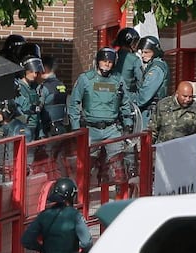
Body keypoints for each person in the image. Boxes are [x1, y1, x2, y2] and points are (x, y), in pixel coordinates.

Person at [68, 47, 133, 184]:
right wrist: (75, 128)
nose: (107, 64)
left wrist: (128, 124)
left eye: (110, 62)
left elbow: (125, 103)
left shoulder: (118, 80)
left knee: (119, 167)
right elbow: (73, 104)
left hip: (112, 129)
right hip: (91, 129)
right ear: (98, 61)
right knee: (85, 167)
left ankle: (121, 199)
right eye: (104, 61)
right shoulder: (85, 79)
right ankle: (79, 199)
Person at [21, 177, 93, 253]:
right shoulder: (75, 216)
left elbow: (26, 240)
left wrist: (43, 248)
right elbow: (87, 242)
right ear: (71, 196)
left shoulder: (44, 215)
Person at [136, 36, 170, 129]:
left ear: (155, 51)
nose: (143, 55)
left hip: (151, 113)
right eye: (142, 52)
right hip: (152, 111)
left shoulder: (156, 69)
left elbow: (145, 95)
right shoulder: (154, 65)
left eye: (146, 52)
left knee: (146, 141)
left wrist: (132, 102)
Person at [15, 54, 50, 140]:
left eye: (36, 72)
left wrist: (41, 133)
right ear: (24, 71)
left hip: (35, 128)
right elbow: (20, 109)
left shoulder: (35, 87)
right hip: (23, 128)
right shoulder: (18, 88)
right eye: (31, 71)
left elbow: (37, 112)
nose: (34, 75)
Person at [40, 55, 68, 136]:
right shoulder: (62, 85)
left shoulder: (44, 87)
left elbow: (38, 108)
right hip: (61, 128)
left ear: (44, 68)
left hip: (47, 130)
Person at [112, 27, 143, 100]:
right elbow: (140, 82)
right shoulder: (135, 60)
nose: (136, 45)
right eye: (135, 42)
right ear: (130, 43)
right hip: (128, 97)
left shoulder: (112, 56)